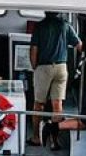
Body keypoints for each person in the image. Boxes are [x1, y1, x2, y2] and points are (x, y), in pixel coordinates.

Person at [27, 11, 82, 146]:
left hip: (44, 67)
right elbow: (79, 45)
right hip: (61, 67)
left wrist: (34, 66)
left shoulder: (40, 27)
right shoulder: (65, 25)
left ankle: (36, 137)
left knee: (38, 104)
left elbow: (34, 49)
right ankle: (54, 141)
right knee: (57, 105)